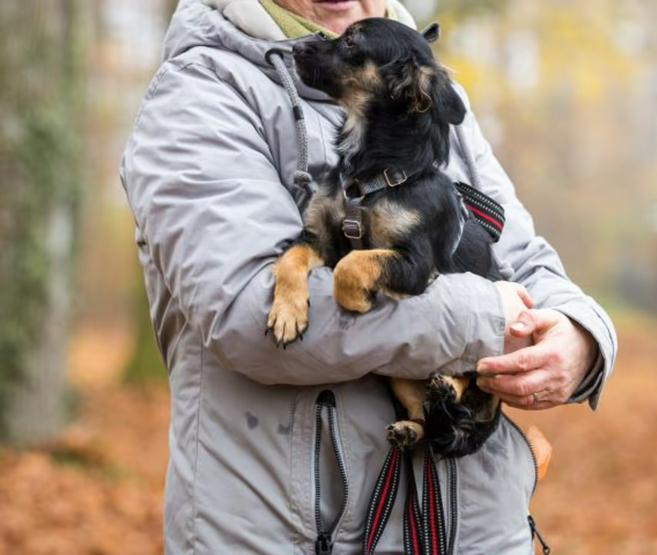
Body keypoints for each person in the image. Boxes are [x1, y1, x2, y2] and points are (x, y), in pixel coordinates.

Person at [120, 0, 617, 553]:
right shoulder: (200, 92)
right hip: (294, 536)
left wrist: (582, 337)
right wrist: (491, 318)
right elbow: (246, 314)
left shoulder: (422, 82)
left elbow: (521, 258)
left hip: (475, 533)